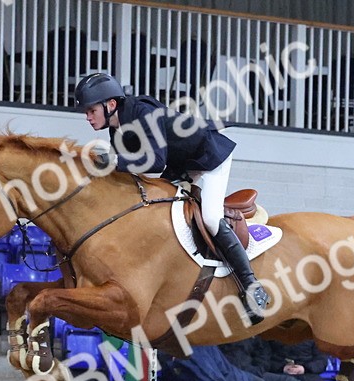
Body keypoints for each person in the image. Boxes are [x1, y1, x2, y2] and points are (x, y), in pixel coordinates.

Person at [73, 72, 272, 323]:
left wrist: (112, 161)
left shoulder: (143, 114)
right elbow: (123, 172)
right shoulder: (117, 130)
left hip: (208, 157)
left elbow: (154, 163)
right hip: (179, 166)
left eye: (91, 111)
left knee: (210, 217)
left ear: (110, 105)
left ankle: (253, 288)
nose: (88, 117)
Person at [220, 337, 318, 381]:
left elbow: (263, 353)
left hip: (255, 373)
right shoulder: (220, 332)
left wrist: (258, 369)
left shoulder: (251, 329)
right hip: (231, 373)